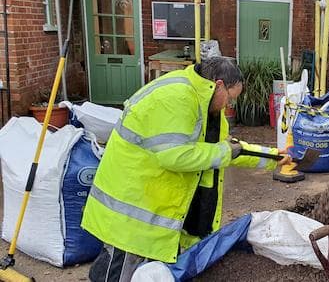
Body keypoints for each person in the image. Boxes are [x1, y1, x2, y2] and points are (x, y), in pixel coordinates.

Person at [82, 57, 290, 282]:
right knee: (118, 272)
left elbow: (229, 149)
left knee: (145, 273)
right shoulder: (177, 97)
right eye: (230, 98)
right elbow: (174, 155)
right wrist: (224, 152)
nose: (230, 106)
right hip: (130, 212)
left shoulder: (204, 103)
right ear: (218, 85)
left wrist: (274, 157)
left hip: (151, 206)